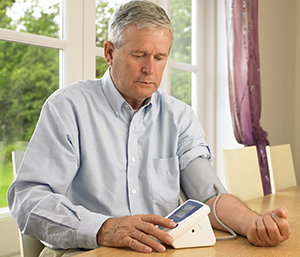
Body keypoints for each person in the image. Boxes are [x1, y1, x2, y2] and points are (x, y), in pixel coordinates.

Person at [8, 0, 290, 256]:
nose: (150, 69)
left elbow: (209, 196)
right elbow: (28, 201)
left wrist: (253, 223)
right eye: (139, 54)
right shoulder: (67, 107)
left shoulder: (180, 117)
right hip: (87, 251)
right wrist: (105, 228)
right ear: (109, 52)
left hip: (160, 250)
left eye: (159, 57)